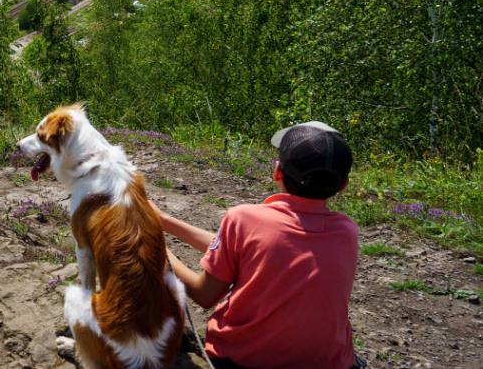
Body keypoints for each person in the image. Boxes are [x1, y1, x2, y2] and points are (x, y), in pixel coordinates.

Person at [154, 121, 362, 369]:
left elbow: (204, 294)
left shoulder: (243, 219)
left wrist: (159, 247)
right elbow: (251, 252)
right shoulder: (347, 231)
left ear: (277, 172)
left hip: (243, 360)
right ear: (343, 185)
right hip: (327, 363)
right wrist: (164, 221)